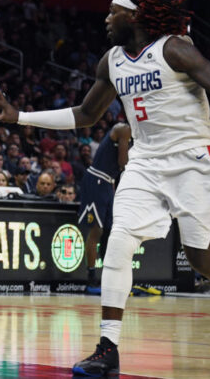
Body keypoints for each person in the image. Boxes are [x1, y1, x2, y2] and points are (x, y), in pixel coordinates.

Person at [0, 0, 210, 376]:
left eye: (114, 12)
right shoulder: (111, 61)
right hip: (145, 162)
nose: (107, 18)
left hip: (192, 160)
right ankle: (107, 348)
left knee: (200, 259)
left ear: (135, 17)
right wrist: (21, 117)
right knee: (119, 242)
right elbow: (85, 114)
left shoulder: (173, 49)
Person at [77, 123, 131, 294]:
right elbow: (123, 163)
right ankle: (91, 277)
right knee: (97, 231)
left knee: (109, 231)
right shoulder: (124, 129)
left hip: (108, 182)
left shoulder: (131, 133)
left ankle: (109, 276)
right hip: (97, 179)